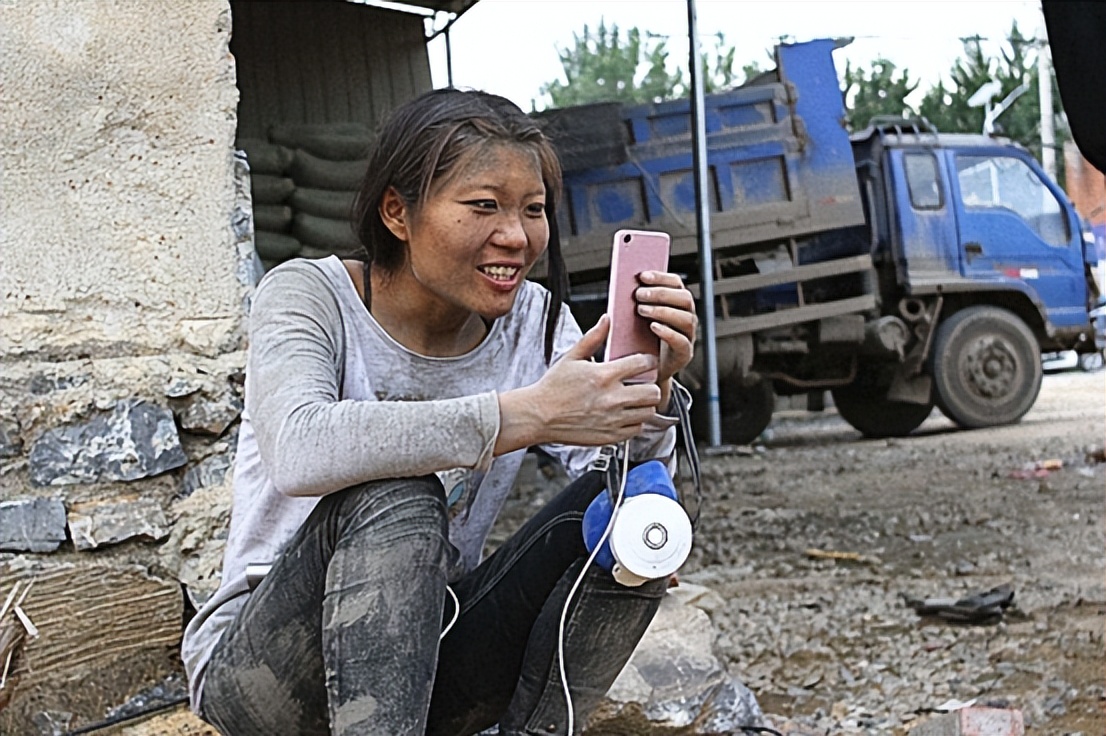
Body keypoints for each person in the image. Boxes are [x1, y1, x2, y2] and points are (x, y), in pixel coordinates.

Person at [181, 88, 698, 736]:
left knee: (639, 513)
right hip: (267, 673)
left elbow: (618, 469)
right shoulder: (307, 297)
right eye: (483, 206)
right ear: (397, 212)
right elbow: (298, 447)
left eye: (533, 210)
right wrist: (525, 415)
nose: (515, 235)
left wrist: (653, 378)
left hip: (430, 652)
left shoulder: (532, 322)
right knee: (400, 489)